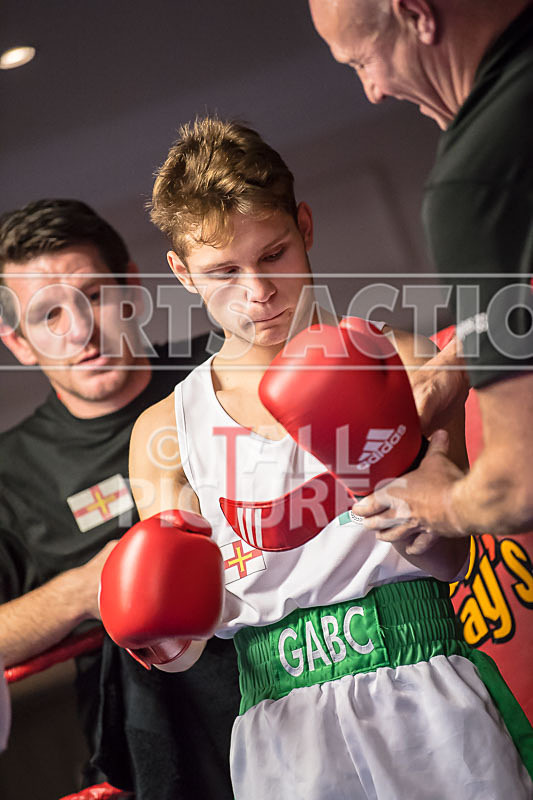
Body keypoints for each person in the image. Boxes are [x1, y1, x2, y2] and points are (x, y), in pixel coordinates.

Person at [118, 116, 533, 799]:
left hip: (422, 682)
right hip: (281, 725)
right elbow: (187, 643)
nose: (257, 293)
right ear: (182, 274)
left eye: (273, 254)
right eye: (223, 272)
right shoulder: (165, 431)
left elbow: (451, 560)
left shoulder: (406, 362)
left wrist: (404, 502)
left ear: (305, 227)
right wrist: (159, 634)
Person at [0, 198, 239, 799]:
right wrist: (89, 586)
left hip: (302, 681)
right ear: (19, 342)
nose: (78, 330)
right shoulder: (11, 474)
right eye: (48, 314)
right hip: (161, 754)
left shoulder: (224, 373)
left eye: (93, 297)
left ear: (131, 288)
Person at [306, 0, 533, 553]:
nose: (373, 91)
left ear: (417, 14)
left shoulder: (474, 182)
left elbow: (517, 484)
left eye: (361, 62)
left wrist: (434, 501)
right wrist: (458, 362)